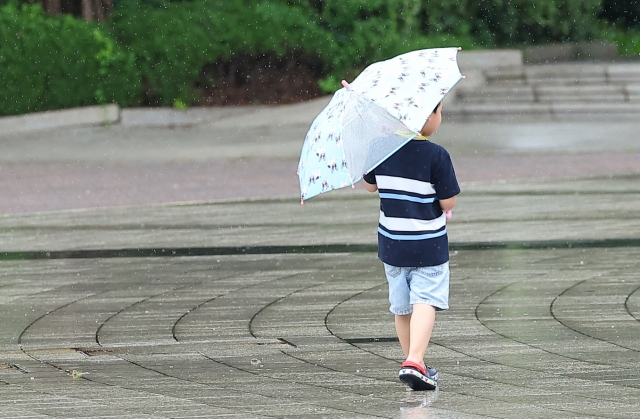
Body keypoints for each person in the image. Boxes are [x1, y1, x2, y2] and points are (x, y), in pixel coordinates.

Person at [362, 101, 459, 391]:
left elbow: (369, 186)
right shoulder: (437, 154)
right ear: (427, 116)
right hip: (428, 245)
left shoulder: (380, 149)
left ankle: (412, 361)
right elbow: (448, 202)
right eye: (438, 112)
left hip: (392, 245)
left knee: (402, 307)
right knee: (425, 300)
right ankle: (415, 360)